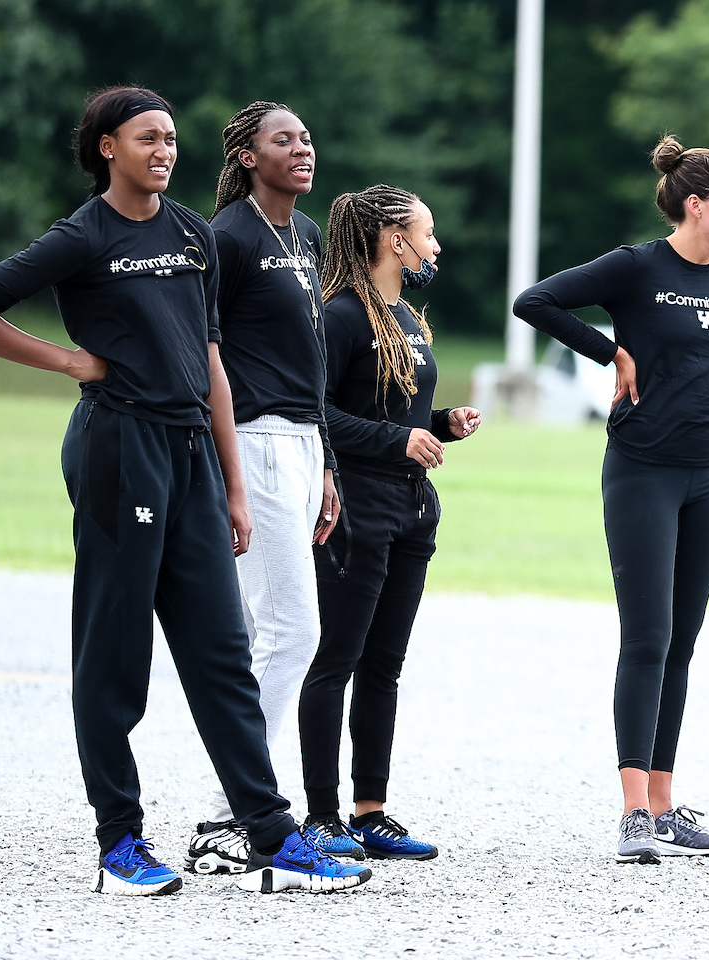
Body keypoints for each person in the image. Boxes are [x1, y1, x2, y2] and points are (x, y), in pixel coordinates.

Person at [0, 86, 368, 896]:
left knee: (223, 654)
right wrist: (70, 361)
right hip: (118, 448)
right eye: (147, 138)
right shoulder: (84, 233)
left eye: (171, 139)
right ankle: (120, 844)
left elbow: (212, 364)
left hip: (192, 453)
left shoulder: (194, 235)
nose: (164, 150)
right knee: (116, 654)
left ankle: (271, 835)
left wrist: (233, 485)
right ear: (108, 148)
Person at [513, 135, 709, 863]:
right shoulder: (638, 267)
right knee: (646, 638)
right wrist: (611, 352)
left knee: (683, 642)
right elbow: (534, 301)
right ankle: (633, 812)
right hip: (642, 471)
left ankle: (666, 808)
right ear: (695, 205)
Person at [182, 100, 364, 873]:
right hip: (251, 441)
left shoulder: (306, 234)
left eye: (306, 137)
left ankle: (236, 809)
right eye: (282, 139)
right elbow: (204, 353)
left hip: (300, 444)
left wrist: (325, 460)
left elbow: (310, 358)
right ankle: (231, 816)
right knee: (288, 631)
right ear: (247, 156)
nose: (301, 148)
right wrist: (228, 472)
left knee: (283, 631)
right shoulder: (227, 236)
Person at [298, 184, 480, 860]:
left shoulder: (405, 316)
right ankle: (321, 818)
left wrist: (440, 425)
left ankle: (370, 813)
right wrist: (396, 441)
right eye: (427, 234)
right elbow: (316, 411)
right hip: (356, 506)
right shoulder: (342, 315)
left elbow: (395, 414)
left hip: (411, 509)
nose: (436, 246)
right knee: (336, 661)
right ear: (394, 240)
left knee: (384, 667)